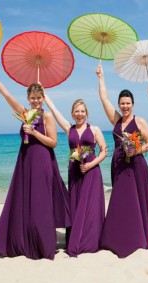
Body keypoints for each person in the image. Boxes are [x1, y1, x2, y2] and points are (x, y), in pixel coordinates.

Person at [0, 63, 70, 260]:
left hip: (43, 161)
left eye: (38, 98)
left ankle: (44, 244)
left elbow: (53, 142)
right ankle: (24, 240)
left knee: (41, 202)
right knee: (24, 201)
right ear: (28, 99)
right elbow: (7, 95)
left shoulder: (47, 116)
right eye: (32, 98)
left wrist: (34, 132)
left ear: (43, 98)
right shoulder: (25, 113)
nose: (35, 101)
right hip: (25, 161)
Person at [96, 65, 148, 258]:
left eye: (128, 103)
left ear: (133, 104)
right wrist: (101, 77)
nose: (125, 106)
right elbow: (103, 99)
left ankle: (138, 238)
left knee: (137, 202)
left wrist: (136, 149)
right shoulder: (116, 120)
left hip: (136, 166)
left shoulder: (140, 121)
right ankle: (117, 237)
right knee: (120, 202)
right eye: (122, 103)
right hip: (119, 166)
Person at [44, 96, 107, 257]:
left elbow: (104, 151)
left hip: (91, 172)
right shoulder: (68, 128)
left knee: (90, 207)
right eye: (77, 111)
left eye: (82, 111)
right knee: (75, 207)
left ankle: (90, 240)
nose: (80, 114)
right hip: (74, 172)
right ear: (72, 114)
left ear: (86, 113)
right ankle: (74, 239)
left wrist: (90, 165)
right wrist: (45, 97)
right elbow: (55, 112)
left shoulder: (95, 130)